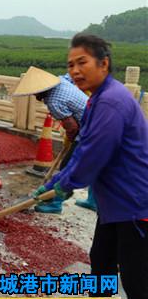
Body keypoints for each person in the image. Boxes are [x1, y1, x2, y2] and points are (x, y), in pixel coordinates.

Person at [34, 34, 148, 299]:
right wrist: (57, 180)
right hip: (115, 205)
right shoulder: (98, 98)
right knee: (102, 259)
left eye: (82, 62)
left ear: (104, 63)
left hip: (136, 205)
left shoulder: (110, 102)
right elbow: (84, 150)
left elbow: (93, 157)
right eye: (70, 64)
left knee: (139, 283)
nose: (74, 71)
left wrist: (64, 186)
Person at [13, 67, 89, 213]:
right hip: (99, 121)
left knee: (67, 167)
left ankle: (56, 203)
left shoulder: (54, 102)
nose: (34, 95)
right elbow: (70, 76)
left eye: (35, 92)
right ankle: (93, 200)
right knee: (100, 166)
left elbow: (72, 127)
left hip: (90, 131)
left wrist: (70, 139)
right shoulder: (61, 80)